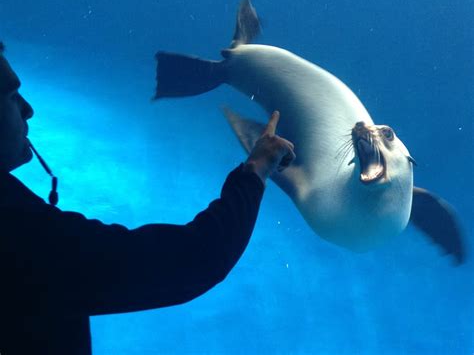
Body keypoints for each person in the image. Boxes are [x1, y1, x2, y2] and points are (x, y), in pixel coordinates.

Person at [0, 42, 296, 355]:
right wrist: (257, 169)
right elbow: (194, 261)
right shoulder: (15, 231)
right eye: (9, 95)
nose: (27, 108)